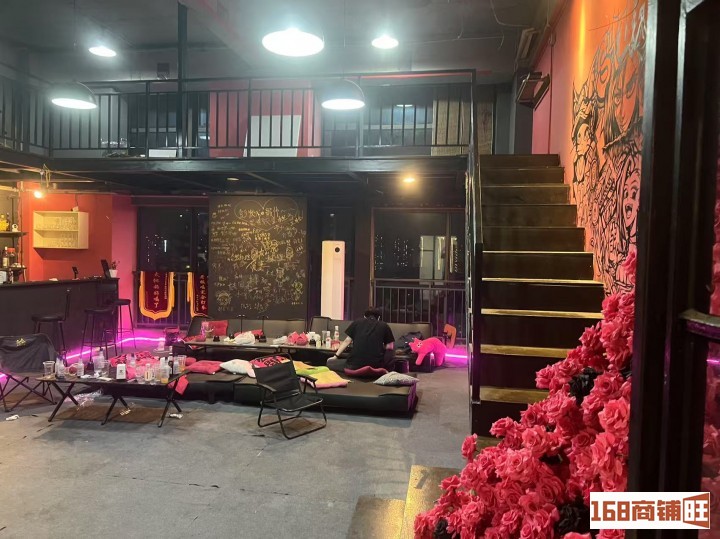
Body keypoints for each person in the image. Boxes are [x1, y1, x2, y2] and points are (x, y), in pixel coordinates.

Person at [327, 307, 395, 372]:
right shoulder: (384, 326)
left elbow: (347, 341)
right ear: (379, 318)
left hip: (353, 366)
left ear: (364, 316)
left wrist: (335, 356)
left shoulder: (357, 322)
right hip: (376, 366)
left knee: (329, 363)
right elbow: (390, 347)